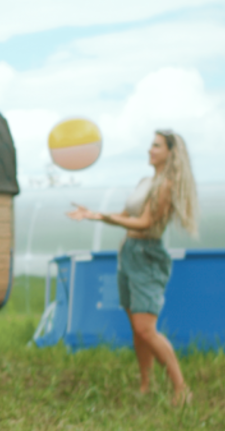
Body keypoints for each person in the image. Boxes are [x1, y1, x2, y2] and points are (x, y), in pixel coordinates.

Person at [67, 130, 199, 406]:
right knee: (137, 329)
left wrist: (105, 218)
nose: (150, 150)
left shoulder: (166, 186)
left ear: (171, 153)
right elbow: (126, 216)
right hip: (128, 252)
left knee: (145, 329)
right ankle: (146, 386)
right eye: (151, 145)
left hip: (147, 255)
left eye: (157, 146)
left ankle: (182, 389)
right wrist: (94, 214)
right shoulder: (145, 182)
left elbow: (145, 223)